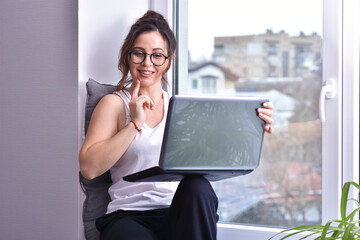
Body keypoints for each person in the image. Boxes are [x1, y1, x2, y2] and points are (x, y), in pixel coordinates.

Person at [79, 10, 275, 240]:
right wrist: (134, 123)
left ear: (169, 60)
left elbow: (216, 155)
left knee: (198, 186)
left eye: (157, 55)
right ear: (127, 56)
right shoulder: (113, 103)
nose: (147, 63)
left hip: (177, 213)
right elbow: (89, 168)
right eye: (139, 54)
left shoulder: (183, 108)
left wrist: (252, 127)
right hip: (128, 216)